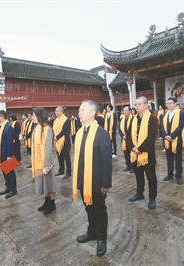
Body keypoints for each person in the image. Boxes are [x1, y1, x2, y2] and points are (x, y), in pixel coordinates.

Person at [73, 100, 112, 257]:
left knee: (100, 210)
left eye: (82, 110)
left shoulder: (102, 134)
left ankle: (102, 238)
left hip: (96, 181)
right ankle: (92, 232)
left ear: (92, 113)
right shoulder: (80, 132)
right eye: (79, 110)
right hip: (83, 180)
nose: (79, 113)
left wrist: (105, 183)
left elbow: (107, 161)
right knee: (88, 208)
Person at [126, 96, 159, 209]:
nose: (137, 106)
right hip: (135, 153)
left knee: (151, 177)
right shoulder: (133, 119)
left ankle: (152, 197)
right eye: (136, 104)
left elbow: (151, 137)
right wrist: (132, 148)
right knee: (138, 175)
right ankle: (140, 193)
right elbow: (129, 134)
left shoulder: (153, 119)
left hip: (147, 154)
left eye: (139, 104)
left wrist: (140, 148)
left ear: (146, 105)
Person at [31, 107, 58, 215]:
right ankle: (46, 202)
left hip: (45, 162)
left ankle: (52, 204)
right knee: (44, 183)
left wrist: (47, 164)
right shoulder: (36, 128)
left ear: (39, 116)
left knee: (50, 184)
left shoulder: (47, 129)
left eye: (33, 115)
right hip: (38, 161)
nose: (32, 117)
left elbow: (48, 147)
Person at [161, 97, 184, 185]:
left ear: (175, 104)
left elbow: (180, 126)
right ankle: (169, 173)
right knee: (169, 158)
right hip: (167, 141)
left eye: (170, 103)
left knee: (178, 159)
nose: (168, 105)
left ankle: (179, 175)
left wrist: (172, 136)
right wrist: (166, 136)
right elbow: (162, 127)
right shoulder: (164, 115)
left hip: (177, 139)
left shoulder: (181, 114)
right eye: (167, 103)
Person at [0, 110, 17, 199]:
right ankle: (8, 187)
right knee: (5, 172)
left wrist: (9, 155)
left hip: (6, 155)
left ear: (2, 117)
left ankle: (13, 189)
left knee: (10, 172)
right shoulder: (0, 127)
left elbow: (10, 143)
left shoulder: (8, 127)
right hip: (1, 153)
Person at [53, 106, 72, 179]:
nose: (56, 112)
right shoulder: (55, 120)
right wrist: (54, 136)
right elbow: (53, 129)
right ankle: (61, 170)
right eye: (55, 111)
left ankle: (68, 172)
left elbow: (64, 131)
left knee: (66, 157)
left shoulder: (66, 120)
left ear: (61, 112)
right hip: (57, 142)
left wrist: (57, 137)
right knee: (59, 157)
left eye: (57, 111)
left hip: (64, 141)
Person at [118, 106, 134, 173]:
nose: (125, 112)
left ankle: (133, 167)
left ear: (130, 111)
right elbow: (119, 129)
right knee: (126, 153)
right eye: (124, 110)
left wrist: (128, 136)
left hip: (131, 139)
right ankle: (128, 165)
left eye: (126, 110)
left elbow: (134, 130)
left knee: (132, 153)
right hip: (124, 139)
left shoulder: (133, 119)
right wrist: (123, 136)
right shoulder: (122, 119)